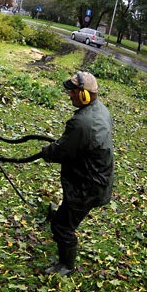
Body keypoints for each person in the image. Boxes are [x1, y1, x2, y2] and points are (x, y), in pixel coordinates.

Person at [40, 71, 114, 276]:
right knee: (67, 210)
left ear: (84, 95)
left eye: (73, 92)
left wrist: (47, 152)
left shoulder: (81, 123)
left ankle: (66, 265)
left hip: (87, 185)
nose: (70, 95)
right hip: (94, 177)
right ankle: (62, 213)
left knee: (62, 226)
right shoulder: (101, 110)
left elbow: (61, 151)